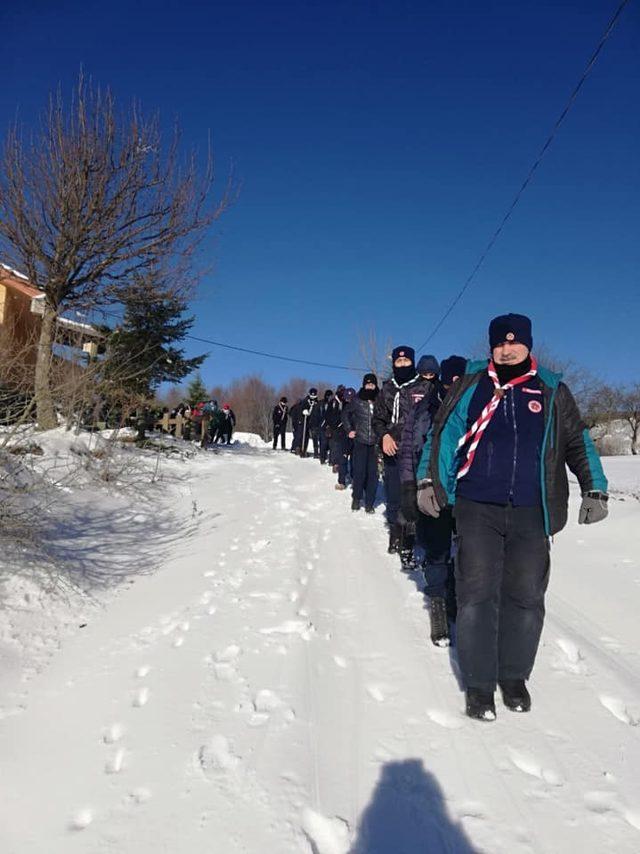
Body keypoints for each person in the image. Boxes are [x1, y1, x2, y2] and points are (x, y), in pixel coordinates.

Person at [417, 314, 608, 721]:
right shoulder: (472, 384)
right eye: (499, 344)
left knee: (525, 597)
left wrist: (594, 487)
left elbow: (578, 442)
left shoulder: (552, 390)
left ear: (528, 344)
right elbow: (442, 434)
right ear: (491, 348)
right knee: (476, 595)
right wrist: (427, 481)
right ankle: (480, 685)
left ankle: (514, 676)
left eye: (514, 342)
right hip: (476, 505)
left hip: (532, 508)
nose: (507, 349)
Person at [373, 346, 433, 566]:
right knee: (394, 495)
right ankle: (395, 533)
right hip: (392, 448)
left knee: (414, 496)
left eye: (406, 361)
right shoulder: (387, 389)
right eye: (398, 362)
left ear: (412, 362)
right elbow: (378, 419)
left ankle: (412, 538)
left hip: (417, 448)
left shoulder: (425, 387)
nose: (402, 365)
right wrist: (384, 436)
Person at [343, 373, 379, 512]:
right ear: (364, 385)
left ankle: (369, 503)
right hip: (360, 441)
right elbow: (345, 414)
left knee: (373, 475)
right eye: (368, 384)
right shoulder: (357, 400)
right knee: (359, 472)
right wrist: (349, 430)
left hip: (375, 443)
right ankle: (356, 498)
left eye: (372, 384)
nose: (370, 387)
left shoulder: (380, 399)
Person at [325, 385, 346, 475]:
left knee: (341, 446)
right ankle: (334, 463)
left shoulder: (345, 402)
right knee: (334, 445)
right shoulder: (333, 402)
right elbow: (328, 415)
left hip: (343, 427)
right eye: (341, 391)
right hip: (334, 427)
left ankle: (339, 462)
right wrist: (329, 425)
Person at [300, 388, 322, 458]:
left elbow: (318, 411)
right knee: (305, 436)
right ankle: (303, 450)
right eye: (312, 395)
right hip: (306, 420)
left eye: (314, 395)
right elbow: (302, 408)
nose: (313, 396)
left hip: (314, 422)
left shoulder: (317, 402)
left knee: (315, 437)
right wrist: (304, 411)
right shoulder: (306, 400)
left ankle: (316, 453)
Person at [318, 389, 334, 464]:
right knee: (323, 443)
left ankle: (331, 459)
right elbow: (318, 414)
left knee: (331, 444)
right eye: (329, 396)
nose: (330, 397)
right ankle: (322, 458)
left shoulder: (333, 403)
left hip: (331, 425)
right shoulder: (321, 403)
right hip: (322, 425)